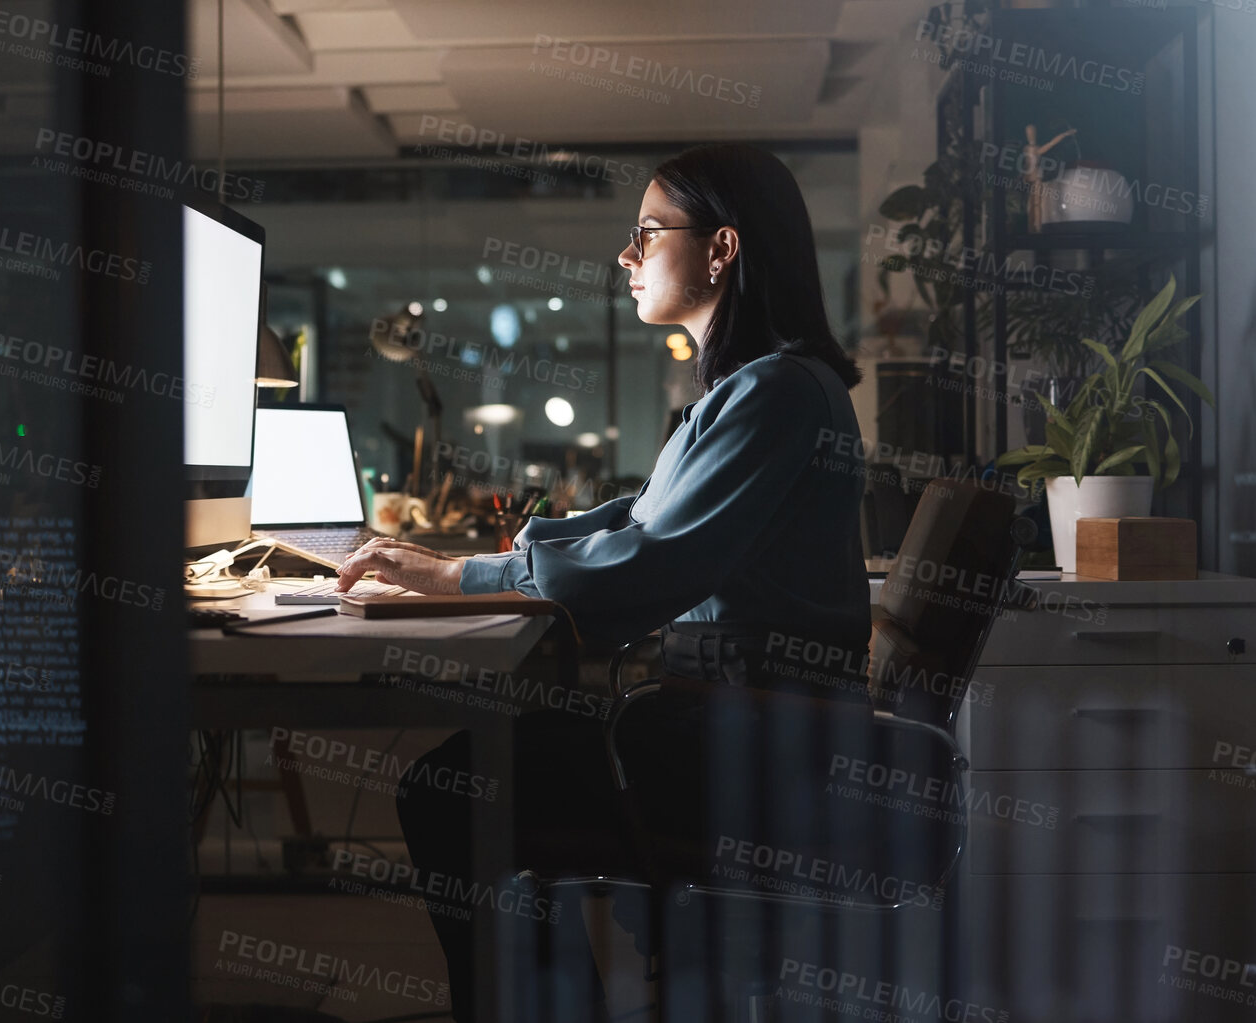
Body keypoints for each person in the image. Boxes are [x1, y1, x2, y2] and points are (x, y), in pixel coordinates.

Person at [336, 144, 872, 1021]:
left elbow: (648, 568)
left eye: (646, 233)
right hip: (745, 725)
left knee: (455, 786)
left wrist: (459, 574)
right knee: (489, 764)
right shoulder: (754, 388)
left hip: (753, 747)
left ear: (721, 249)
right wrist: (460, 570)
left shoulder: (775, 394)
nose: (625, 256)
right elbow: (639, 518)